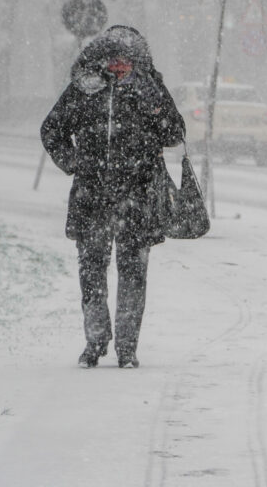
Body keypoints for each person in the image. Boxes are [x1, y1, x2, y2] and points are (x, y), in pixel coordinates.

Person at [41, 25, 185, 369]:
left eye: (126, 60)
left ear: (137, 63)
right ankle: (95, 341)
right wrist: (73, 162)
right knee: (91, 270)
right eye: (113, 59)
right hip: (92, 198)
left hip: (138, 197)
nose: (119, 66)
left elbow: (175, 132)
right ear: (101, 60)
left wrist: (153, 108)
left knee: (133, 272)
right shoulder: (84, 89)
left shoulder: (149, 89)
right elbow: (52, 130)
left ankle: (127, 346)